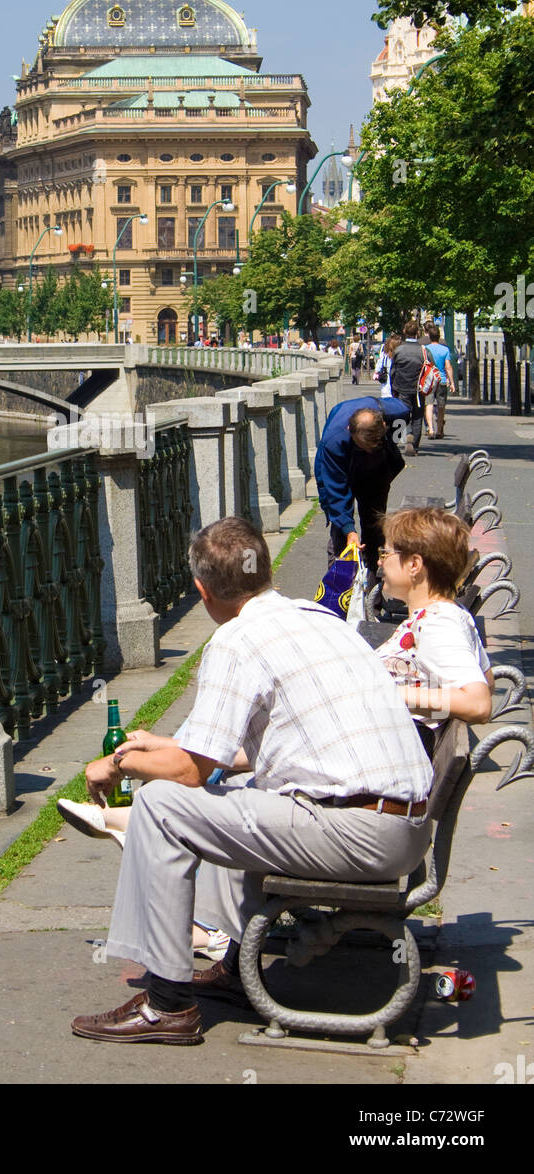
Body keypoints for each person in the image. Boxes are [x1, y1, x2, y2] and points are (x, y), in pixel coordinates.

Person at [70, 518, 433, 1044]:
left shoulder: (236, 640)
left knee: (160, 808)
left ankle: (167, 1005)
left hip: (361, 833)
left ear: (202, 590)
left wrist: (117, 764)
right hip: (402, 826)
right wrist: (155, 746)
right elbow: (240, 751)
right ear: (263, 570)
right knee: (245, 795)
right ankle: (241, 969)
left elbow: (191, 772)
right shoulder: (318, 618)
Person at [376, 507, 493, 747]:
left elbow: (479, 704)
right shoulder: (451, 612)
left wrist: (387, 694)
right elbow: (486, 679)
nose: (379, 560)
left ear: (414, 565)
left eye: (386, 553)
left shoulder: (437, 623)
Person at [314, 396, 410, 576]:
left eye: (372, 446)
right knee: (341, 532)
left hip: (374, 469)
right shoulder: (333, 442)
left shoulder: (397, 413)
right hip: (339, 468)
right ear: (350, 430)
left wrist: (391, 441)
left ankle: (373, 584)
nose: (367, 449)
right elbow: (336, 492)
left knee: (374, 523)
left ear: (383, 425)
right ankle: (339, 589)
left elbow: (402, 425)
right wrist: (349, 529)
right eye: (363, 446)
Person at [391, 320, 436, 456]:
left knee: (401, 415)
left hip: (402, 388)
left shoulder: (399, 350)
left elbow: (393, 371)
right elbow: (431, 370)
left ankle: (403, 437)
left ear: (404, 332)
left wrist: (394, 387)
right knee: (417, 417)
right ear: (418, 333)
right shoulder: (424, 351)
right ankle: (415, 445)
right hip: (419, 390)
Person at [422, 323, 456, 439]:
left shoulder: (425, 349)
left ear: (430, 337)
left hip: (429, 381)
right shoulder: (445, 349)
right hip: (441, 379)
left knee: (429, 404)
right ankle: (439, 430)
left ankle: (430, 429)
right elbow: (448, 366)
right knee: (441, 406)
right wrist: (452, 382)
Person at [373, 333, 401, 399]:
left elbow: (379, 364)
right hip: (398, 384)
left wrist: (376, 372)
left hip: (387, 384)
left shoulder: (384, 354)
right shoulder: (400, 355)